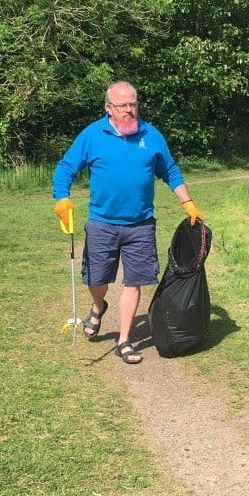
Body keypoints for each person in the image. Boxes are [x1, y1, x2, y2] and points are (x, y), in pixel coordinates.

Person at [52, 81, 204, 364]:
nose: (129, 111)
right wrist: (62, 197)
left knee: (134, 282)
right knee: (96, 278)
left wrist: (187, 202)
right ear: (109, 108)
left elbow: (170, 170)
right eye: (123, 106)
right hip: (102, 223)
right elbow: (66, 167)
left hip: (140, 225)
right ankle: (98, 306)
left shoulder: (151, 135)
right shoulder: (93, 135)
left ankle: (124, 340)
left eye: (133, 104)